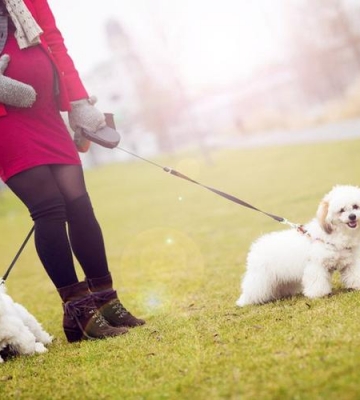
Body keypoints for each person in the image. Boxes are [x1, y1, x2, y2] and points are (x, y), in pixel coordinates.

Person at [0, 0, 145, 343]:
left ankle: (106, 302)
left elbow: (53, 40)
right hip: (5, 116)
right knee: (49, 208)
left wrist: (79, 103)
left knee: (79, 205)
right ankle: (79, 312)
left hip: (46, 111)